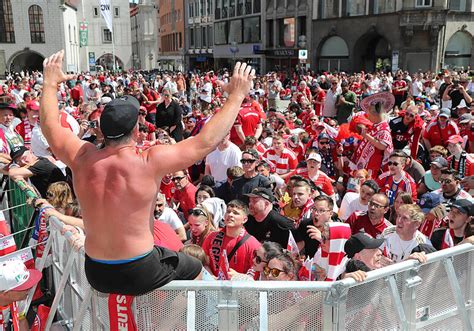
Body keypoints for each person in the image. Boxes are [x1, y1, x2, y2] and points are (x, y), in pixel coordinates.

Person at [41, 51, 255, 295]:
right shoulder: (148, 161)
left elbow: (49, 126)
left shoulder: (81, 157)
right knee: (195, 268)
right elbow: (205, 142)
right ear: (136, 131)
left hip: (96, 271)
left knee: (168, 257)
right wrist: (237, 95)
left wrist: (49, 83)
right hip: (138, 268)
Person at [202, 200, 261, 276]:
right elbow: (203, 262)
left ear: (245, 219)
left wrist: (238, 276)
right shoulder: (211, 237)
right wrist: (211, 277)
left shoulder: (253, 244)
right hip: (214, 285)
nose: (230, 215)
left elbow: (257, 273)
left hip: (239, 287)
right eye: (228, 211)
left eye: (235, 213)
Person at [351, 92, 394, 177]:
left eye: (369, 112)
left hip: (372, 167)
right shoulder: (375, 125)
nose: (368, 115)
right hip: (364, 164)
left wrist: (366, 135)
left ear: (375, 114)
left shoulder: (384, 128)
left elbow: (382, 145)